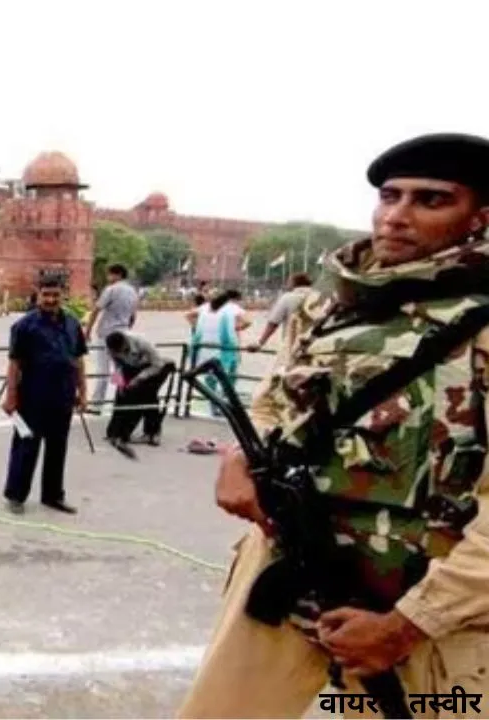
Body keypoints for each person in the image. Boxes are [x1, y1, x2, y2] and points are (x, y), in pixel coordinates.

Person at [177, 132, 489, 717]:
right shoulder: (332, 305)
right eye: (389, 196)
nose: (396, 217)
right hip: (293, 576)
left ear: (481, 216)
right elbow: (275, 403)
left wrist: (409, 623)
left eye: (431, 200)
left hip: (425, 610)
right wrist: (239, 459)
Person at [0, 274, 88, 515]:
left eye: (55, 295)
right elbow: (14, 364)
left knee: (58, 447)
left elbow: (78, 360)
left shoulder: (72, 324)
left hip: (63, 394)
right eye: (46, 295)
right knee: (26, 446)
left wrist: (83, 391)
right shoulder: (24, 326)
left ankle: (53, 495)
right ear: (38, 295)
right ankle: (16, 495)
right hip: (32, 395)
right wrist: (11, 397)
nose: (50, 299)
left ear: (63, 296)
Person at [102, 329, 174, 458]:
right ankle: (115, 432)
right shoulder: (110, 348)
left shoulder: (142, 343)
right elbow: (116, 367)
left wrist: (139, 378)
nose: (118, 354)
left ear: (125, 344)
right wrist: (120, 384)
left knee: (148, 396)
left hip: (153, 367)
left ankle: (152, 433)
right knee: (121, 395)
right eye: (115, 352)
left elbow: (157, 365)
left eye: (120, 351)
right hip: (130, 367)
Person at [84, 264, 139, 415]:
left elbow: (96, 310)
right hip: (123, 332)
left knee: (103, 369)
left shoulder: (111, 290)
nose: (108, 278)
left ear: (117, 274)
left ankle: (96, 405)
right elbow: (133, 316)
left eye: (110, 275)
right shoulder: (133, 291)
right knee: (119, 369)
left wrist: (87, 331)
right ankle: (119, 400)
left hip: (107, 333)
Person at [189, 289, 248, 417]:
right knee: (229, 378)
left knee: (210, 379)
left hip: (206, 349)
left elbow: (189, 315)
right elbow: (246, 323)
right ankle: (226, 405)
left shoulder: (205, 309)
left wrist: (195, 328)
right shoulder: (231, 309)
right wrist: (237, 329)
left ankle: (214, 406)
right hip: (226, 350)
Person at [246, 272, 314, 359]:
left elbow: (273, 323)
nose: (287, 284)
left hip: (292, 344)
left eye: (289, 281)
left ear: (294, 283)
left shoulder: (288, 298)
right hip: (317, 345)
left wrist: (260, 343)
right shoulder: (318, 296)